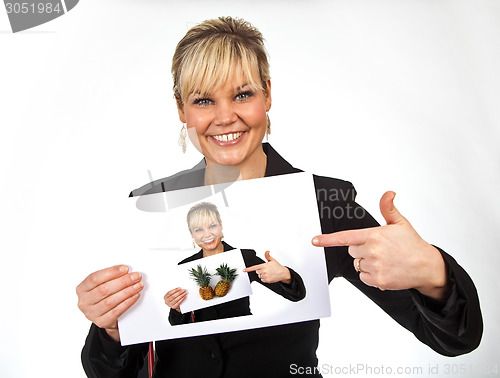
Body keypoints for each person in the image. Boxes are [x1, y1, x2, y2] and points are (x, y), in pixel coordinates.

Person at [77, 16, 483, 378]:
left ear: (267, 96)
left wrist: (434, 273)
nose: (224, 117)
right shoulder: (151, 203)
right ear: (182, 109)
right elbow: (119, 369)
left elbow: (453, 341)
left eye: (242, 94)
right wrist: (110, 329)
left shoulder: (322, 201)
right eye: (203, 100)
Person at [164, 202, 305, 326]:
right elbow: (177, 324)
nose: (207, 234)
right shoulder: (186, 266)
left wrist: (286, 275)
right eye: (199, 230)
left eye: (212, 226)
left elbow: (296, 296)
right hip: (206, 343)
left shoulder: (244, 258)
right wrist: (176, 308)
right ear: (192, 234)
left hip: (242, 339)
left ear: (221, 226)